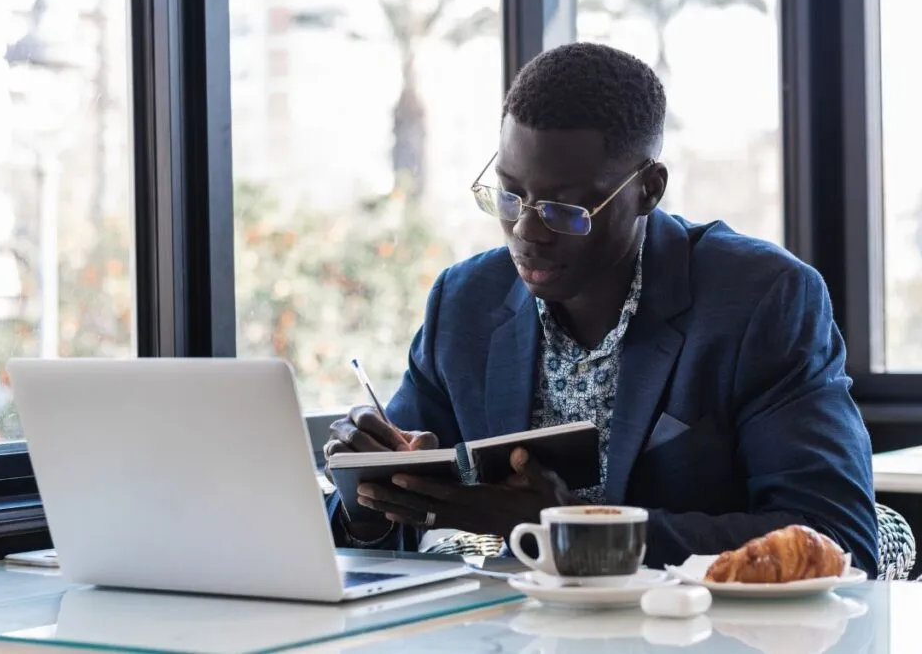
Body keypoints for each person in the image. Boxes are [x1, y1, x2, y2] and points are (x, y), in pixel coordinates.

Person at [322, 42, 879, 575]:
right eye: (510, 196)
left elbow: (839, 536)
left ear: (649, 189)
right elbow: (399, 520)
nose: (525, 230)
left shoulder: (762, 301)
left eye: (565, 210)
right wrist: (367, 500)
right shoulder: (467, 302)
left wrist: (569, 531)